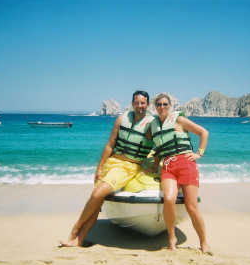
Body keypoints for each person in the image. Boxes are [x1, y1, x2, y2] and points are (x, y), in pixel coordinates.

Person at [60, 90, 154, 247]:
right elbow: (110, 144)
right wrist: (99, 167)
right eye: (137, 103)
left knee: (97, 194)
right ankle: (79, 241)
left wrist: (156, 164)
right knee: (96, 202)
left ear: (148, 105)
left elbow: (164, 141)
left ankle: (75, 229)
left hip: (128, 166)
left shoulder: (152, 124)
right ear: (132, 104)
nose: (139, 106)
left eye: (143, 103)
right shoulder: (121, 119)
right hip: (112, 163)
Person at [147, 92, 210, 253]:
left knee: (191, 206)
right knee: (168, 199)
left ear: (170, 106)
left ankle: (204, 242)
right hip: (168, 166)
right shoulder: (153, 126)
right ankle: (171, 238)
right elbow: (159, 148)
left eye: (165, 104)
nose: (162, 107)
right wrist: (154, 166)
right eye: (159, 104)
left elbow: (204, 132)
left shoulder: (179, 120)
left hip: (186, 164)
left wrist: (199, 153)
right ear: (155, 107)